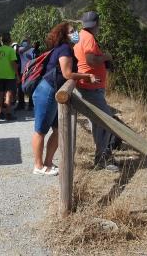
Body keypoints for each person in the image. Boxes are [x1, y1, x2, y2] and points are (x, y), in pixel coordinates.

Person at [32, 22, 99, 176]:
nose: (75, 33)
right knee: (40, 130)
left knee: (57, 130)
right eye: (71, 31)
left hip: (52, 91)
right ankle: (38, 165)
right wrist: (87, 77)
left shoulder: (65, 49)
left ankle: (48, 162)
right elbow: (67, 73)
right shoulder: (64, 49)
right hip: (47, 91)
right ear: (64, 34)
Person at [74, 11, 119, 172]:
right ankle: (101, 160)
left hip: (87, 85)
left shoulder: (80, 35)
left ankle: (103, 155)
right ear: (97, 24)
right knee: (107, 121)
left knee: (97, 122)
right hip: (91, 87)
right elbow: (91, 60)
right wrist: (106, 57)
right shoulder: (89, 38)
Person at [0, 33, 19, 121]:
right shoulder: (11, 50)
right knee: (8, 94)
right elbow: (13, 63)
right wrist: (17, 75)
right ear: (10, 40)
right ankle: (8, 114)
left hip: (0, 75)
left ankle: (0, 113)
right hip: (10, 76)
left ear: (2, 41)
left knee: (0, 94)